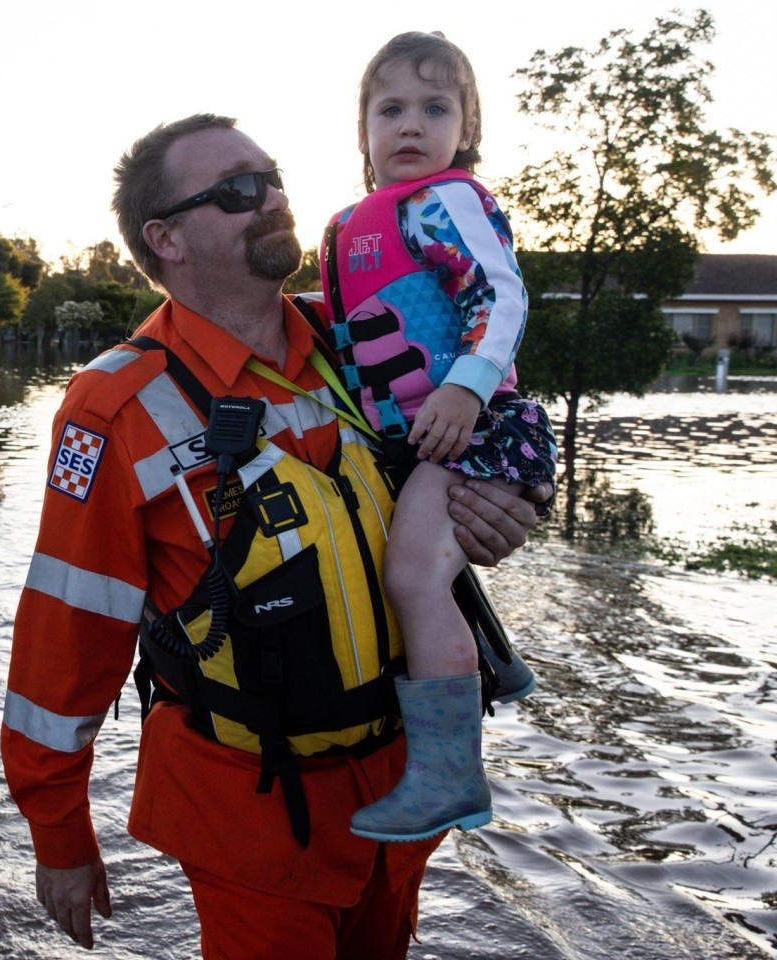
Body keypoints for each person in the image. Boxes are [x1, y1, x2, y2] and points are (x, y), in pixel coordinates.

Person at [1, 113, 552, 959]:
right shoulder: (115, 409)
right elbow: (66, 631)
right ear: (167, 239)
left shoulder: (361, 343)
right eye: (237, 191)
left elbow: (464, 460)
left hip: (404, 792)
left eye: (274, 178)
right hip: (252, 818)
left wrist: (506, 512)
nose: (275, 199)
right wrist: (60, 834)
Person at [318, 32, 558, 844]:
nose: (410, 124)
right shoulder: (359, 224)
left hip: (475, 426)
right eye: (390, 109)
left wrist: (463, 384)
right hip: (423, 439)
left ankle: (452, 777)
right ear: (363, 132)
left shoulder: (447, 203)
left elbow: (502, 294)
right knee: (421, 565)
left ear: (467, 126)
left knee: (413, 571)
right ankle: (499, 665)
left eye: (434, 107)